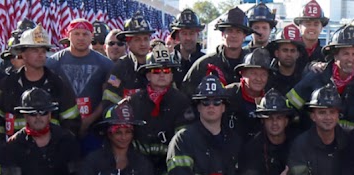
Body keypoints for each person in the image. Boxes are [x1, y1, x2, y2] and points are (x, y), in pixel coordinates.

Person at [0, 25, 80, 139]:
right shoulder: (8, 84)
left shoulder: (58, 84)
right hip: (16, 150)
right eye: (35, 50)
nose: (40, 55)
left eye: (43, 51)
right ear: (23, 54)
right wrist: (1, 143)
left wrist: (59, 144)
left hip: (51, 151)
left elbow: (72, 120)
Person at [287, 25, 354, 132]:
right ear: (335, 56)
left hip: (348, 142)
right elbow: (290, 106)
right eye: (346, 54)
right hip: (316, 141)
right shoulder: (316, 76)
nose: (351, 59)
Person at [123, 43, 193, 173]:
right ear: (148, 76)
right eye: (156, 71)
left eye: (166, 71)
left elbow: (183, 140)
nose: (161, 75)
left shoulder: (182, 101)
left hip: (170, 162)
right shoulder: (134, 101)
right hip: (138, 164)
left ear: (171, 75)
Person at [47, 18, 116, 139]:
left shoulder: (106, 64)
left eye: (85, 34)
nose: (81, 38)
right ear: (68, 35)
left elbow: (108, 97)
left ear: (91, 36)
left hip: (95, 128)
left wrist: (89, 120)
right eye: (76, 33)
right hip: (61, 127)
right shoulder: (53, 62)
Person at [166, 74, 244, 174]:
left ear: (223, 107)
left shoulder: (234, 140)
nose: (211, 106)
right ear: (198, 107)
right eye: (205, 101)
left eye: (217, 101)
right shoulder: (183, 139)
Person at [0, 88, 82, 174]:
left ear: (50, 114)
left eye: (43, 112)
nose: (38, 117)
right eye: (33, 113)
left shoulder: (67, 140)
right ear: (25, 115)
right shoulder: (13, 145)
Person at [183, 7, 252, 95]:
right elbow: (186, 94)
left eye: (238, 31)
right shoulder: (204, 64)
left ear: (244, 36)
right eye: (230, 31)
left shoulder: (251, 65)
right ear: (223, 34)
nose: (234, 35)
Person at [287, 84, 350, 175]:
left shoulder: (349, 141)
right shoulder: (301, 145)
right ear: (313, 116)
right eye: (322, 112)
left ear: (338, 116)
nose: (328, 117)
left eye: (332, 112)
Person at [80, 99, 154, 175]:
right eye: (118, 132)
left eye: (128, 132)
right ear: (108, 134)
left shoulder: (142, 163)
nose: (124, 137)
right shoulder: (93, 161)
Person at [104, 12, 159, 107]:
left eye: (146, 39)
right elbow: (109, 103)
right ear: (128, 43)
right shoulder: (119, 68)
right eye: (137, 40)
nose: (143, 44)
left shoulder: (160, 63)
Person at [239, 89, 295, 175]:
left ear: (286, 121)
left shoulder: (297, 144)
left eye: (279, 118)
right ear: (262, 121)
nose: (274, 122)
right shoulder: (252, 149)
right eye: (269, 118)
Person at [227, 48, 273, 139]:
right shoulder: (228, 95)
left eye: (263, 74)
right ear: (242, 73)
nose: (259, 79)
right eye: (254, 73)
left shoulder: (272, 97)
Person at [266, 24, 308, 92]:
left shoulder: (305, 77)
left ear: (298, 54)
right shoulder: (267, 77)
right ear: (276, 53)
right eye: (285, 50)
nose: (289, 54)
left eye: (292, 51)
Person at [170, 9, 207, 84]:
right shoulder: (168, 62)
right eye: (184, 33)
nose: (188, 38)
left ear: (198, 35)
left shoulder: (206, 62)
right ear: (177, 36)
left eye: (192, 33)